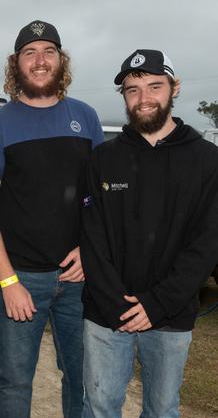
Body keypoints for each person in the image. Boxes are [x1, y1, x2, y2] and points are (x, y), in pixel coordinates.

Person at [0, 20, 104, 418]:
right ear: (16, 64)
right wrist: (8, 282)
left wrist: (90, 251)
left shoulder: (86, 117)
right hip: (21, 276)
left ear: (61, 60)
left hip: (79, 276)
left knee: (80, 375)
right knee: (14, 379)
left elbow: (101, 197)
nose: (40, 60)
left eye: (48, 51)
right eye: (30, 53)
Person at [80, 49, 218, 418]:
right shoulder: (103, 158)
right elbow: (92, 238)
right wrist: (117, 304)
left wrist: (156, 304)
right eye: (132, 90)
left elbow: (207, 243)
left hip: (170, 317)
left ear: (175, 88)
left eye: (155, 87)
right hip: (107, 314)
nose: (143, 99)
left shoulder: (207, 159)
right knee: (99, 407)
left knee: (161, 410)